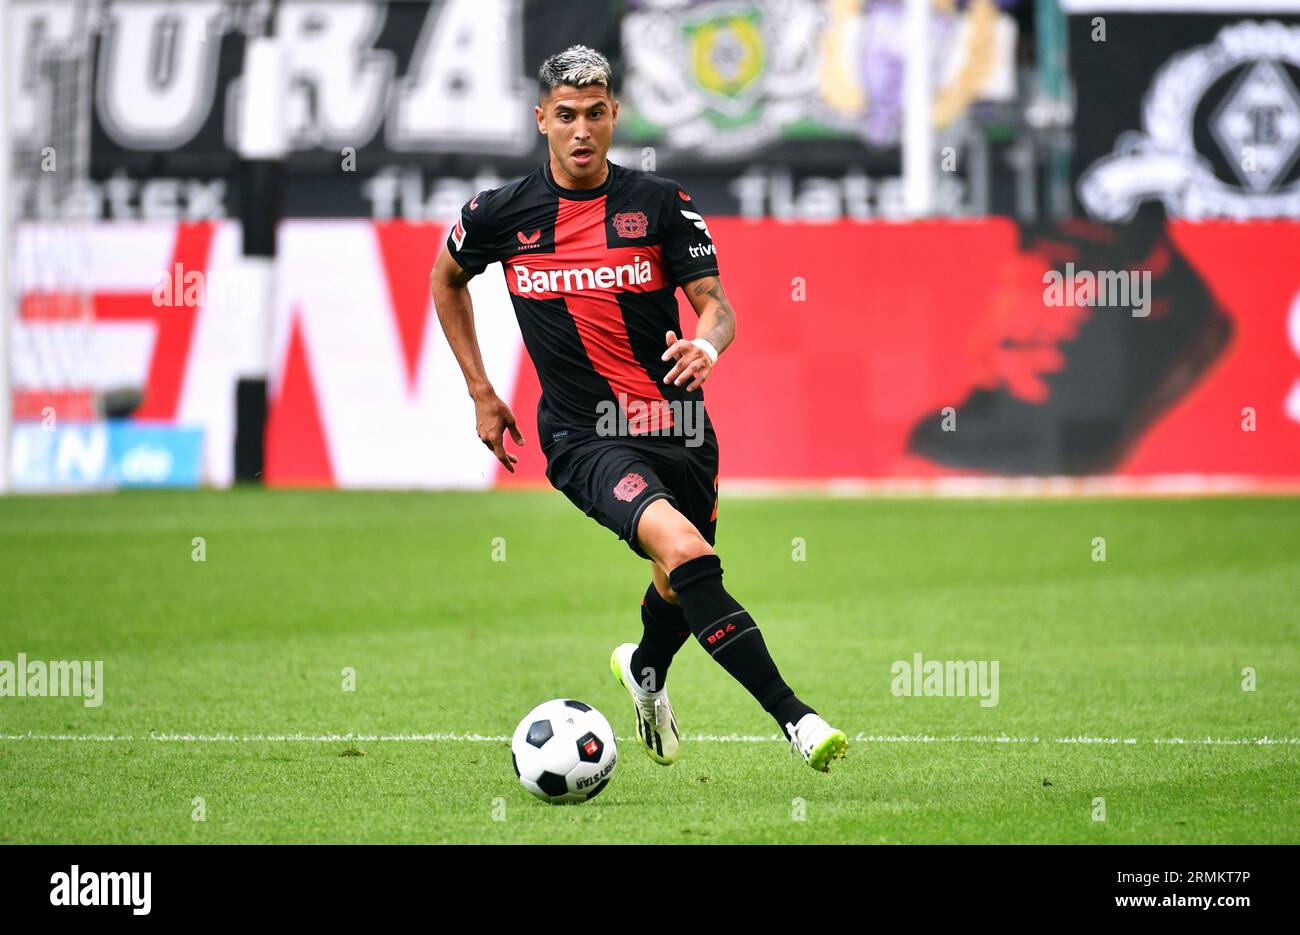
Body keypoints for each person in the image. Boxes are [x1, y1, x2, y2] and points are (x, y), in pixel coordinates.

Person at [430, 45, 847, 772]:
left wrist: (709, 347)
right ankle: (797, 718)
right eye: (566, 116)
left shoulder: (659, 203)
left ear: (615, 114)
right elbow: (446, 279)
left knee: (675, 580)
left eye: (596, 114)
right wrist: (480, 389)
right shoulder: (501, 214)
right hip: (585, 437)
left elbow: (716, 307)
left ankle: (646, 673)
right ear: (542, 120)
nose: (582, 130)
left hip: (678, 425)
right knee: (689, 554)